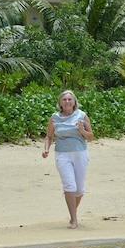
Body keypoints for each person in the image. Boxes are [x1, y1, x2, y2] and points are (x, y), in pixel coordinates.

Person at [42, 90, 93, 229]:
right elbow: (49, 136)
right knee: (70, 186)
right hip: (62, 154)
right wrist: (46, 149)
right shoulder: (54, 118)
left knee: (80, 190)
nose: (67, 102)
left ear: (74, 102)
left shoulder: (82, 116)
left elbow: (91, 137)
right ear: (60, 103)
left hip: (80, 153)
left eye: (70, 99)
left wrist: (81, 130)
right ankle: (73, 219)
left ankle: (73, 213)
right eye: (64, 99)